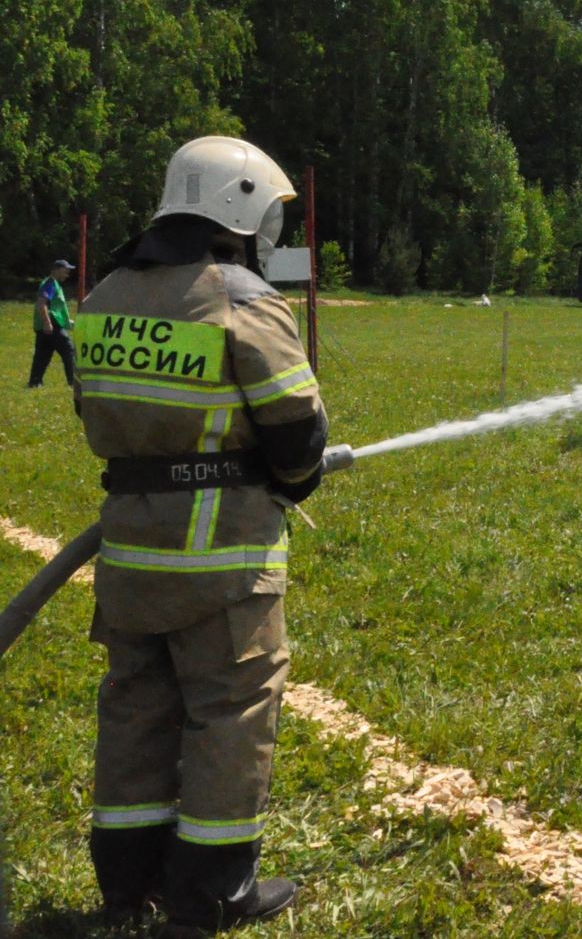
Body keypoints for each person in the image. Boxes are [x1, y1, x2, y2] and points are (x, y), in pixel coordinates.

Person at [72, 136, 327, 935]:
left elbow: (96, 415)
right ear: (239, 203)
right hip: (222, 561)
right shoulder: (242, 298)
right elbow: (297, 439)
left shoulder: (103, 296)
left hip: (129, 552)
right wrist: (289, 480)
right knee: (229, 712)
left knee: (136, 709)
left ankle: (128, 880)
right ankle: (216, 888)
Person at [27, 257, 78, 388]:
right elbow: (41, 303)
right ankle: (73, 383)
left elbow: (55, 308)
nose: (67, 274)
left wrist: (69, 323)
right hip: (51, 326)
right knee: (69, 351)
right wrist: (47, 323)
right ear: (57, 270)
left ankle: (35, 382)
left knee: (42, 355)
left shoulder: (53, 284)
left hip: (46, 326)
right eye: (65, 271)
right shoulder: (50, 283)